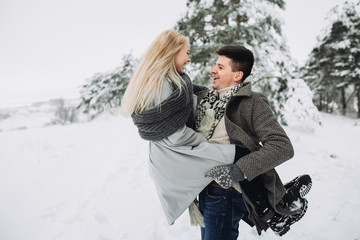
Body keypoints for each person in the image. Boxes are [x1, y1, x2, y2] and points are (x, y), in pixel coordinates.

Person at [121, 29, 237, 225]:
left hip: (168, 156)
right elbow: (176, 135)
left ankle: (266, 208)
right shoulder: (163, 84)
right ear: (171, 52)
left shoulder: (166, 80)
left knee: (234, 161)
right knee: (239, 154)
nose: (189, 59)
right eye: (187, 53)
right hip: (174, 158)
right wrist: (206, 141)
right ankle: (272, 206)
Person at [195, 45, 312, 239]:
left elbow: (282, 146)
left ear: (237, 75)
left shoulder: (252, 103)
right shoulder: (207, 99)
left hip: (225, 194)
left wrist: (236, 171)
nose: (213, 70)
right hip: (205, 190)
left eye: (221, 67)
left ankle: (280, 206)